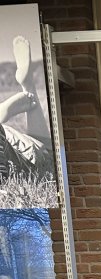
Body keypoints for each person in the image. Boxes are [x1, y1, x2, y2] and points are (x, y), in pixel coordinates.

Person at [0, 35, 54, 183]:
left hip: (15, 152)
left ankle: (28, 86)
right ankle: (29, 85)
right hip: (14, 144)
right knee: (44, 151)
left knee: (44, 152)